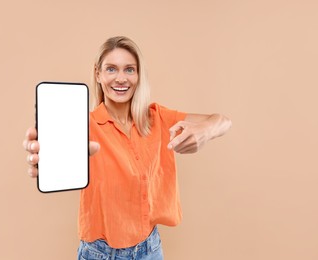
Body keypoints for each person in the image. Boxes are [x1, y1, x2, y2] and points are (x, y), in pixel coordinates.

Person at [23, 36, 232, 260]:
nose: (121, 78)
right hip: (100, 254)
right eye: (111, 69)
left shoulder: (157, 117)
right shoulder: (84, 126)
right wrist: (44, 155)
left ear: (139, 75)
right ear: (98, 74)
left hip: (150, 249)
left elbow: (222, 121)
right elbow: (54, 151)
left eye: (129, 69)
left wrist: (205, 132)